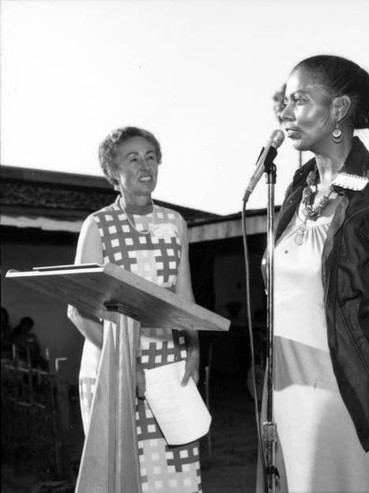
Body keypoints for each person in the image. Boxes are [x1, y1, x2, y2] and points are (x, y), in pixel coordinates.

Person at [262, 55, 369, 492]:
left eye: (299, 100)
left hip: (346, 405)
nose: (285, 113)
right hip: (285, 395)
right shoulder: (296, 191)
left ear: (338, 109)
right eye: (284, 102)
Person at [68, 126, 202, 492]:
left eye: (151, 157)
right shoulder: (97, 225)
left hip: (168, 367)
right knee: (124, 475)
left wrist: (193, 346)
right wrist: (126, 366)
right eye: (133, 158)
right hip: (113, 367)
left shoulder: (174, 223)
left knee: (177, 476)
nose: (146, 166)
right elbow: (78, 311)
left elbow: (184, 297)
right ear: (114, 173)